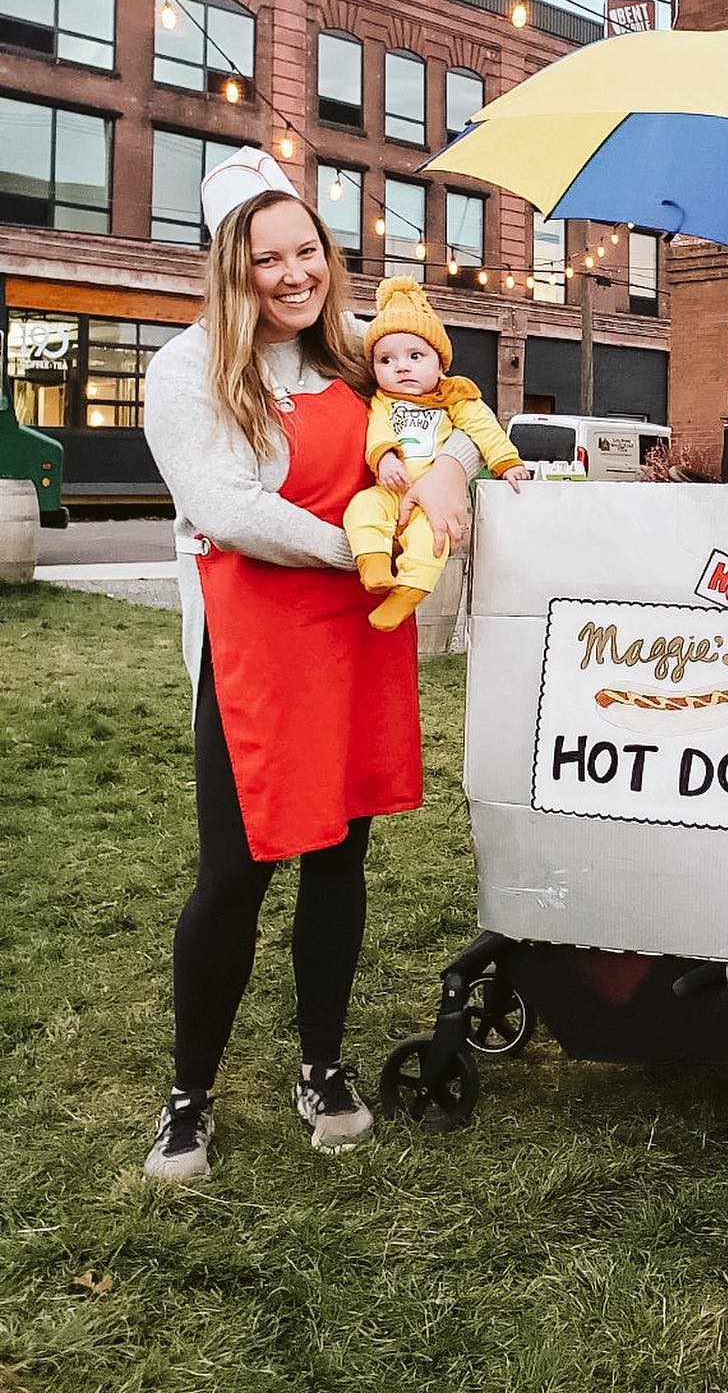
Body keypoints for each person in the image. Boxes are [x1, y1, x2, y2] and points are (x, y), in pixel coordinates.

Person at [141, 147, 479, 1181]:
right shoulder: (186, 370)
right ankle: (189, 1095)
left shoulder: (355, 354)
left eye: (307, 253)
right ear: (226, 271)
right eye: (265, 261)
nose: (293, 276)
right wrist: (364, 545)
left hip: (355, 643)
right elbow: (227, 508)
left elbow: (453, 412)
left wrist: (451, 477)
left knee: (341, 861)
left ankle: (321, 1067)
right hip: (256, 653)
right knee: (234, 877)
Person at [345, 274, 528, 631]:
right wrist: (383, 458)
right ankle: (374, 563)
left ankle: (409, 592)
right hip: (390, 491)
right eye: (386, 360)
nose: (401, 366)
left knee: (432, 540)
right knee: (361, 508)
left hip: (433, 501)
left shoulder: (455, 396)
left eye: (415, 356)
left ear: (439, 362)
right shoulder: (383, 400)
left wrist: (506, 462)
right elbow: (377, 431)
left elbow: (483, 428)